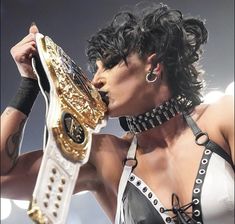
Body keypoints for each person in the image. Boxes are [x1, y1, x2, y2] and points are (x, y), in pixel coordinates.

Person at [1, 3, 234, 224]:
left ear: (153, 66)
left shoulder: (222, 118)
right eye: (96, 69)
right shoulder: (107, 157)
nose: (96, 81)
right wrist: (29, 83)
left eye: (110, 65)